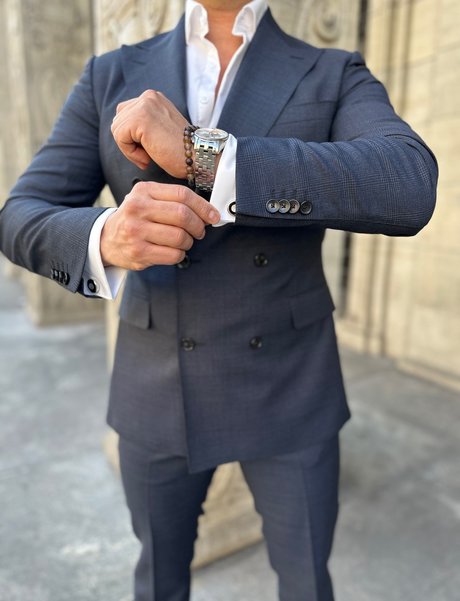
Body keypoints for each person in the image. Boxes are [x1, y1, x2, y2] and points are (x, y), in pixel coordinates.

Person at [0, 1, 437, 600]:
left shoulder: (332, 70)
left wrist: (205, 154)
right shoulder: (111, 72)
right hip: (156, 382)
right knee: (159, 579)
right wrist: (107, 235)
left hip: (290, 385)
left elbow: (408, 183)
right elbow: (20, 216)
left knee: (307, 581)